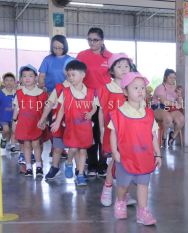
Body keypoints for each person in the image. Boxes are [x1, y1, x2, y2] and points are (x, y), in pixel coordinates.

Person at [109, 72, 161, 225]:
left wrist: (158, 154)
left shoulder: (149, 114)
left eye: (143, 88)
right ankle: (120, 200)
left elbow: (153, 136)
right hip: (125, 157)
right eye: (135, 88)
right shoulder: (118, 113)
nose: (140, 91)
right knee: (123, 185)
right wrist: (115, 152)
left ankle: (143, 211)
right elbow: (113, 134)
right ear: (125, 91)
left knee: (143, 184)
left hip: (144, 157)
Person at [51, 60, 98, 186]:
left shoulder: (91, 92)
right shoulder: (66, 92)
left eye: (73, 75)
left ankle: (81, 174)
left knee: (83, 151)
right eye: (69, 75)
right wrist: (57, 122)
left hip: (85, 128)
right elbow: (61, 109)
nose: (71, 78)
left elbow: (94, 107)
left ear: (83, 75)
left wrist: (91, 113)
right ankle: (69, 162)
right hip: (72, 127)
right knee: (72, 148)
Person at [98, 53, 135, 207]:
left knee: (126, 163)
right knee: (115, 159)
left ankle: (124, 193)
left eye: (126, 66)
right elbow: (101, 111)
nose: (124, 69)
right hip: (113, 132)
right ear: (112, 71)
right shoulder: (106, 88)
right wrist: (101, 130)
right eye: (119, 66)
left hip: (129, 132)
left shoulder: (132, 87)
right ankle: (107, 188)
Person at [76, 27, 112, 177]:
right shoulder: (81, 55)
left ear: (102, 41)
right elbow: (75, 76)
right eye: (89, 39)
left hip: (105, 99)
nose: (92, 42)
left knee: (103, 132)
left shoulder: (110, 57)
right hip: (87, 99)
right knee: (89, 132)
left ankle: (102, 164)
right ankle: (91, 164)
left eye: (95, 40)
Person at [37, 66, 72, 181]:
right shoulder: (59, 88)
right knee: (57, 148)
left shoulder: (83, 89)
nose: (71, 75)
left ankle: (79, 171)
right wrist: (42, 119)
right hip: (59, 122)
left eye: (74, 72)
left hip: (76, 124)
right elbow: (50, 104)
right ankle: (55, 167)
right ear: (65, 72)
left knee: (77, 149)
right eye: (69, 72)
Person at [13, 65, 48, 177]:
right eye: (24, 76)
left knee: (36, 144)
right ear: (21, 79)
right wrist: (14, 121)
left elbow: (46, 109)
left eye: (30, 76)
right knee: (27, 145)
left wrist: (44, 122)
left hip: (36, 123)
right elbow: (17, 108)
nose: (27, 78)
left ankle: (38, 166)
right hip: (23, 123)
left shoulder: (42, 93)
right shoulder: (19, 93)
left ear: (36, 78)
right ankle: (28, 167)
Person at [152, 69, 184, 146]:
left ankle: (172, 136)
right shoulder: (160, 87)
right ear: (165, 77)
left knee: (181, 119)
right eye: (170, 77)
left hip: (170, 109)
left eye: (174, 78)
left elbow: (180, 103)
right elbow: (164, 102)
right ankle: (164, 134)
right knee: (168, 118)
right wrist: (176, 105)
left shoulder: (175, 88)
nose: (173, 79)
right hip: (158, 108)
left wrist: (179, 96)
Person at [0, 72, 17, 151]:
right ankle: (3, 138)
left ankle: (12, 145)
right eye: (7, 80)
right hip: (3, 117)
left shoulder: (16, 93)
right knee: (6, 130)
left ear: (14, 82)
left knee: (13, 131)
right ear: (3, 82)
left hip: (13, 117)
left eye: (11, 80)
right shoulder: (0, 93)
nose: (9, 82)